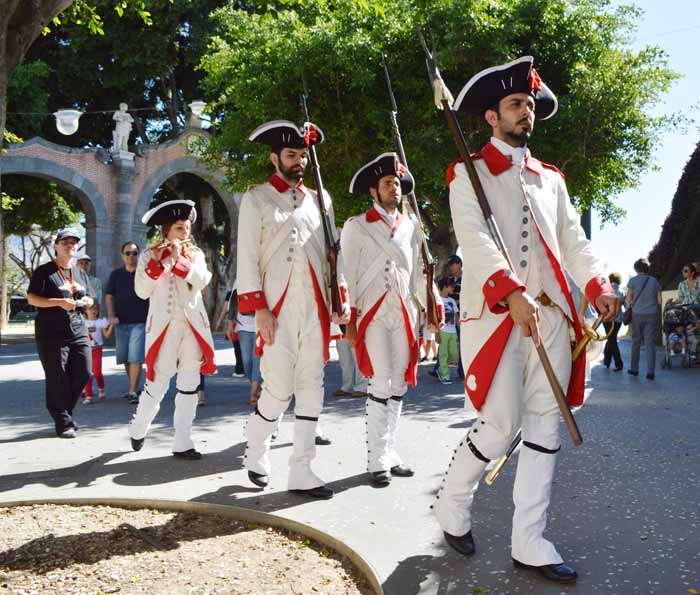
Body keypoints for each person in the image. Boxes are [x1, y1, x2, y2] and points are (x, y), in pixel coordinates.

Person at [434, 57, 620, 583]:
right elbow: (476, 239)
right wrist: (509, 292)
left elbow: (573, 243)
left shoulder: (551, 179)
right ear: (492, 116)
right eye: (516, 105)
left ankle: (530, 541)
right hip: (498, 318)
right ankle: (451, 504)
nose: (526, 112)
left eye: (530, 104)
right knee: (498, 427)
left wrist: (597, 286)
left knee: (544, 431)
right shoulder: (466, 175)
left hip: (554, 321)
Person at [237, 120, 349, 498]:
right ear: (274, 158)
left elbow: (335, 256)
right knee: (279, 388)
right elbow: (248, 259)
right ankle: (255, 449)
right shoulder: (255, 199)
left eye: (303, 155)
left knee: (312, 387)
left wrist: (339, 298)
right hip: (278, 307)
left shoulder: (322, 200)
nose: (298, 161)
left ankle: (302, 470)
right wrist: (260, 309)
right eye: (291, 155)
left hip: (314, 307)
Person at [342, 152, 443, 486]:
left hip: (403, 311)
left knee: (399, 382)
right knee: (380, 379)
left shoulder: (412, 226)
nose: (394, 187)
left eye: (397, 183)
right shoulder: (357, 226)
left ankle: (390, 451)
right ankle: (376, 459)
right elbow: (348, 273)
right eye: (387, 183)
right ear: (374, 190)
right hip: (371, 311)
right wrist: (349, 317)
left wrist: (427, 310)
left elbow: (417, 273)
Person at [128, 199, 216, 459]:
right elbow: (141, 292)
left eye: (187, 226)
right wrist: (156, 264)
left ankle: (183, 441)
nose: (185, 231)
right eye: (179, 227)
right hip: (163, 330)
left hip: (192, 328)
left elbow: (202, 280)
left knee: (189, 386)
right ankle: (138, 427)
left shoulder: (196, 254)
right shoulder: (148, 255)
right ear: (166, 229)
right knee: (157, 384)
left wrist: (180, 260)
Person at [27, 228, 95, 437]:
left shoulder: (80, 272)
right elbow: (32, 299)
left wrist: (86, 301)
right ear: (56, 246)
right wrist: (59, 302)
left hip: (77, 328)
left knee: (85, 371)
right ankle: (63, 421)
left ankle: (64, 410)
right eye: (65, 242)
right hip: (51, 332)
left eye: (74, 242)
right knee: (57, 376)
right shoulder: (44, 271)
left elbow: (91, 299)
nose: (70, 245)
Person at [105, 242, 149, 404]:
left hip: (141, 321)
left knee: (135, 356)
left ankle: (132, 391)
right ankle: (134, 386)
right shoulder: (116, 275)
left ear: (139, 255)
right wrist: (111, 315)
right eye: (128, 253)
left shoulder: (145, 274)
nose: (131, 256)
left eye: (135, 253)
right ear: (122, 255)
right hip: (121, 322)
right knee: (125, 357)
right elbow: (109, 296)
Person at [626, 258, 662, 380]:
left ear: (636, 269)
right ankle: (650, 372)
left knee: (636, 341)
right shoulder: (654, 281)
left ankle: (634, 369)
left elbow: (628, 299)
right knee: (649, 343)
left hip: (637, 314)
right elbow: (659, 301)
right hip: (652, 314)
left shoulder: (632, 281)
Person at [83, 302, 113, 404]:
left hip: (97, 349)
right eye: (91, 309)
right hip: (86, 350)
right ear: (85, 311)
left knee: (97, 373)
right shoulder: (82, 322)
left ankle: (101, 388)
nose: (94, 311)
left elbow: (107, 335)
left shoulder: (101, 322)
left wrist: (111, 325)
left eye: (96, 309)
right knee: (87, 373)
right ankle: (88, 396)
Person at [219, 287, 245, 377]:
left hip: (235, 324)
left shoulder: (231, 293)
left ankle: (239, 370)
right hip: (248, 325)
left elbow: (226, 309)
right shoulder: (249, 291)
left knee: (238, 349)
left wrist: (220, 321)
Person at [437, 277, 459, 384]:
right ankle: (445, 375)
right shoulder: (437, 300)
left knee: (454, 353)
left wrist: (461, 328)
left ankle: (441, 369)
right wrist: (437, 333)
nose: (453, 288)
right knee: (443, 353)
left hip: (453, 331)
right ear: (445, 286)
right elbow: (435, 318)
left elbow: (456, 316)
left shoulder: (451, 301)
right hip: (442, 331)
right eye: (451, 286)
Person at [603, 272, 625, 372]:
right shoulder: (622, 291)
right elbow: (626, 306)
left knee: (611, 340)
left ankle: (618, 364)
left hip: (607, 318)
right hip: (618, 319)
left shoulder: (605, 290)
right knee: (611, 339)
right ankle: (606, 361)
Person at [334, 332, 368, 397]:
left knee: (358, 358)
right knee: (344, 360)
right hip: (340, 329)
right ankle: (347, 387)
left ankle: (362, 388)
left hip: (355, 328)